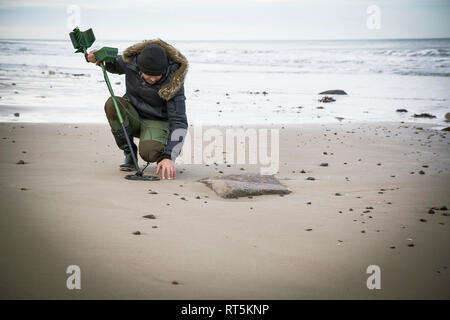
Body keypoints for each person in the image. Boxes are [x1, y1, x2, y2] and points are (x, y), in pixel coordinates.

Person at [87, 40, 188, 180]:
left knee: (149, 154)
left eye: (157, 75)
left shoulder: (174, 81)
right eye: (148, 74)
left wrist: (169, 155)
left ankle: (161, 153)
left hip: (157, 121)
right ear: (140, 68)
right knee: (113, 104)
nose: (152, 79)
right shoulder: (132, 62)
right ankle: (129, 154)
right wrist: (95, 57)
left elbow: (179, 121)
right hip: (133, 115)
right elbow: (115, 64)